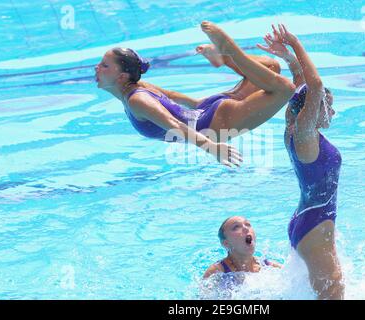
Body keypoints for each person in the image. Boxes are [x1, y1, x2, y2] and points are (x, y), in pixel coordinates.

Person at [94, 21, 295, 167]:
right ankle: (224, 59)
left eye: (104, 65)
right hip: (206, 108)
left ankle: (230, 52)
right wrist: (200, 103)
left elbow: (174, 125)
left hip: (215, 125)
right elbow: (174, 96)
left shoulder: (137, 100)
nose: (97, 68)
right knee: (271, 67)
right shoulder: (140, 86)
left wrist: (211, 147)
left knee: (284, 89)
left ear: (121, 77)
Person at [258, 24, 344, 299]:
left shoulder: (294, 129)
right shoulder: (306, 138)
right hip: (315, 223)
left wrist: (289, 59)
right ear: (313, 110)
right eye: (327, 105)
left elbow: (303, 86)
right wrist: (294, 42)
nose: (331, 111)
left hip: (308, 219)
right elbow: (314, 86)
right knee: (333, 295)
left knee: (331, 289)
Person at [203, 216, 281, 288]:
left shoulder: (270, 267)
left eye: (248, 224)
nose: (246, 228)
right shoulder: (216, 272)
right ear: (226, 243)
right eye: (236, 227)